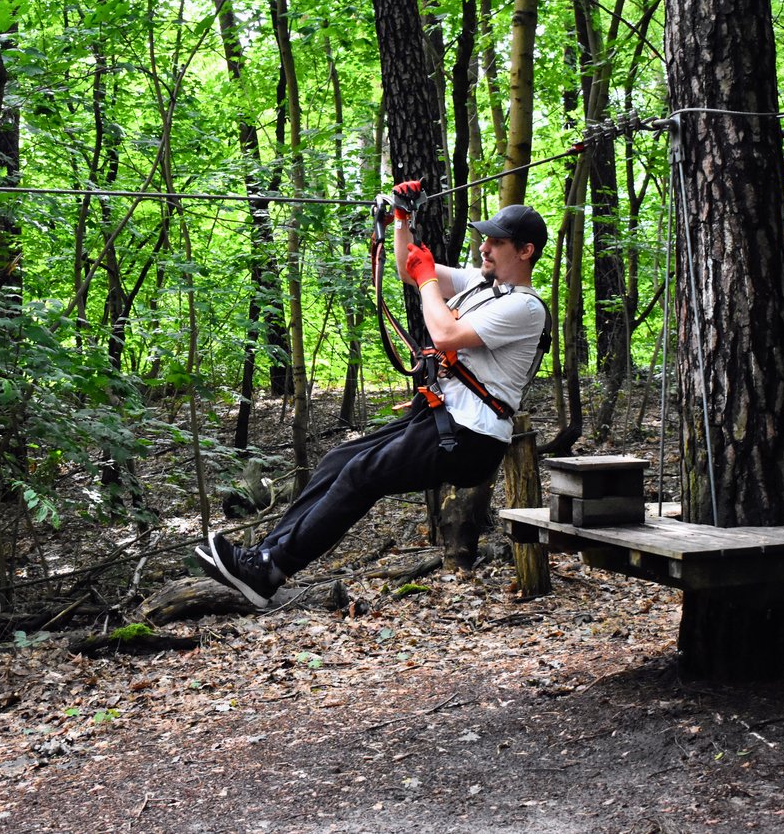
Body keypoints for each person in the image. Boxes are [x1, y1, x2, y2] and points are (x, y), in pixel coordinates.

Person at [197, 179, 550, 607]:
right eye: (485, 239)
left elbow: (446, 333)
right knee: (339, 459)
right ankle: (262, 558)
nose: (485, 247)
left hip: (471, 437)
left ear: (525, 250)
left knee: (363, 475)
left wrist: (426, 282)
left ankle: (271, 570)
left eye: (496, 241)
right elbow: (408, 267)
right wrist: (402, 218)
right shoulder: (479, 285)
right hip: (442, 418)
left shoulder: (526, 306)